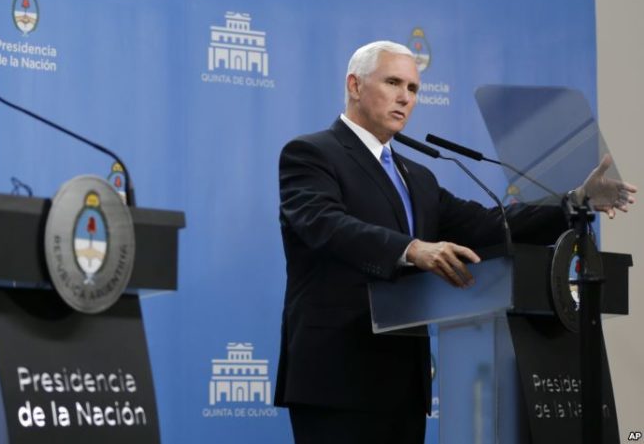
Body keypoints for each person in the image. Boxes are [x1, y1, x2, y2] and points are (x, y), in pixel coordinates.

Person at [273, 40, 636, 443]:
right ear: (355, 85)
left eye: (413, 88)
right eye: (393, 83)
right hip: (335, 373)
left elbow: (489, 224)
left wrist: (574, 201)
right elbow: (323, 224)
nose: (405, 97)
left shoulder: (417, 176)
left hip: (403, 381)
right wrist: (411, 249)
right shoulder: (311, 153)